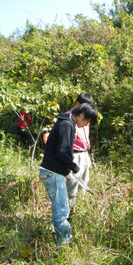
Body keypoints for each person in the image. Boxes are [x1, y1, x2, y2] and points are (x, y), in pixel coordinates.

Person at [39, 103, 98, 246]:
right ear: (82, 115)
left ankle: (63, 243)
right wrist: (73, 166)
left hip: (52, 172)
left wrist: (68, 170)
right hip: (52, 173)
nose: (86, 125)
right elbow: (62, 151)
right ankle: (63, 248)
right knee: (62, 212)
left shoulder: (66, 121)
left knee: (62, 209)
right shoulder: (67, 125)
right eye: (87, 121)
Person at [65, 93, 96, 207]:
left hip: (84, 154)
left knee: (83, 185)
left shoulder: (85, 117)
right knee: (71, 187)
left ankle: (78, 211)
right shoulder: (68, 119)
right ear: (78, 104)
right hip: (74, 155)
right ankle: (68, 216)